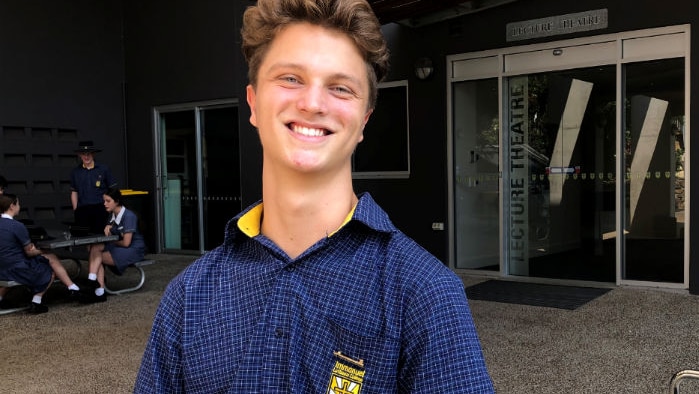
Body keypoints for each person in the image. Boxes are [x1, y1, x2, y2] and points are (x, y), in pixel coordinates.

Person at [135, 0, 495, 392]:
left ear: (364, 121)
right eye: (290, 78)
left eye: (340, 88)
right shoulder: (190, 296)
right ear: (253, 103)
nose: (311, 103)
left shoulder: (423, 292)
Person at [0, 194, 83, 314]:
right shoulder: (17, 226)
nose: (20, 206)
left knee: (49, 258)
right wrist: (43, 250)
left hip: (2, 267)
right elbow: (29, 252)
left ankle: (73, 288)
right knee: (50, 269)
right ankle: (36, 301)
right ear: (12, 206)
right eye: (18, 203)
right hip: (16, 268)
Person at [81, 188, 146, 303]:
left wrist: (111, 239)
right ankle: (94, 284)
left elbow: (126, 243)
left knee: (96, 256)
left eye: (108, 201)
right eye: (104, 201)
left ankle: (96, 288)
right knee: (94, 247)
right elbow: (111, 235)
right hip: (120, 246)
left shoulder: (128, 216)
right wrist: (109, 230)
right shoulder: (111, 215)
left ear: (117, 201)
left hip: (134, 249)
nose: (104, 204)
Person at [70, 140, 117, 235]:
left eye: (89, 154)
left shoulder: (104, 169)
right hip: (82, 210)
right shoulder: (75, 172)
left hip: (100, 210)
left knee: (100, 237)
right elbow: (74, 191)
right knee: (84, 239)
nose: (86, 157)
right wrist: (76, 210)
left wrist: (111, 209)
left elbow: (113, 190)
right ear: (79, 155)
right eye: (83, 154)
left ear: (93, 154)